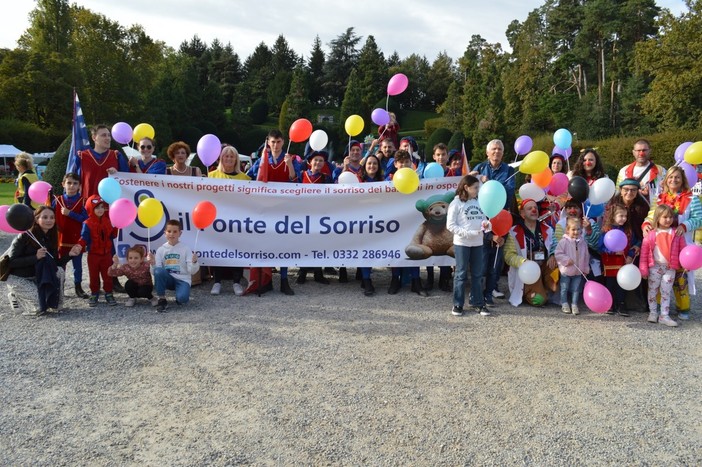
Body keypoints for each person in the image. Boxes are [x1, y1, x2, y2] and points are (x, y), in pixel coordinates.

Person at [642, 165, 702, 320]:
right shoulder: (660, 198)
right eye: (670, 177)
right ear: (666, 180)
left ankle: (683, 306)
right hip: (661, 244)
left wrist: (685, 225)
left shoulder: (692, 199)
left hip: (683, 244)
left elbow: (699, 219)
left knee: (680, 277)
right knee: (661, 275)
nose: (674, 180)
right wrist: (646, 224)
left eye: (677, 177)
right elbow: (651, 215)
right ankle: (660, 306)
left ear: (682, 180)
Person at [246, 129, 302, 295]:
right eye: (273, 142)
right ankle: (267, 279)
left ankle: (284, 280)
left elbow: (296, 182)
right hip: (264, 209)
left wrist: (290, 165)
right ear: (268, 143)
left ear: (283, 142)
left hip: (284, 208)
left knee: (284, 244)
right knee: (265, 243)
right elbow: (250, 179)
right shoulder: (262, 159)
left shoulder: (290, 159)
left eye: (278, 142)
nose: (276, 145)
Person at [4, 206, 76, 316]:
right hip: (18, 277)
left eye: (52, 217)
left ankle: (56, 303)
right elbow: (12, 262)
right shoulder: (24, 236)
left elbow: (55, 263)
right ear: (37, 219)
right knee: (38, 309)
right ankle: (14, 295)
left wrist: (70, 255)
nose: (49, 220)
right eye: (45, 217)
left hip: (37, 276)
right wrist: (35, 257)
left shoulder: (51, 237)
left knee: (60, 271)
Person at [471, 139, 515, 302]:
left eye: (500, 149)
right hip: (481, 216)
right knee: (482, 254)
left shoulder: (509, 170)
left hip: (500, 215)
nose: (497, 152)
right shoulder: (479, 168)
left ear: (503, 153)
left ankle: (493, 287)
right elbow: (470, 188)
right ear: (487, 152)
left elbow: (509, 191)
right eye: (494, 149)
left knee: (497, 253)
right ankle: (478, 288)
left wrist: (489, 184)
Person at [208, 145, 250, 296]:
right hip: (217, 221)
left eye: (232, 156)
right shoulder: (211, 176)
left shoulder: (244, 179)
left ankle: (236, 282)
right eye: (226, 156)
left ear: (236, 159)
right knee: (218, 251)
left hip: (236, 222)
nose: (229, 159)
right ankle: (217, 282)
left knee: (236, 251)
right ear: (221, 158)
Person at [447, 175, 490, 316]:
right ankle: (458, 304)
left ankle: (478, 302)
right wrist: (467, 233)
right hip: (462, 243)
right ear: (466, 187)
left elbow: (484, 219)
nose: (478, 190)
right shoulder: (456, 203)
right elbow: (450, 225)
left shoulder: (480, 202)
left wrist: (487, 224)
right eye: (476, 187)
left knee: (478, 274)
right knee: (461, 274)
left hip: (477, 243)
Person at [387, 150, 428, 297]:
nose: (404, 164)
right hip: (395, 221)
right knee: (396, 249)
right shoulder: (388, 180)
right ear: (396, 164)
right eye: (401, 162)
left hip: (413, 220)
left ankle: (416, 281)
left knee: (414, 248)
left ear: (411, 163)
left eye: (406, 161)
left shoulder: (417, 179)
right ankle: (395, 279)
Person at [639, 204, 686, 327]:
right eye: (665, 217)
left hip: (669, 268)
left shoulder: (676, 234)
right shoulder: (650, 234)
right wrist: (643, 269)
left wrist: (686, 263)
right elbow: (644, 254)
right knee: (653, 290)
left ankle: (664, 315)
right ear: (657, 218)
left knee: (666, 292)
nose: (668, 219)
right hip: (654, 267)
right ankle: (653, 312)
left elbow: (683, 251)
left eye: (670, 217)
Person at [504, 198, 555, 307]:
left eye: (535, 208)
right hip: (528, 271)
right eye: (529, 208)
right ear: (522, 213)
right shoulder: (513, 232)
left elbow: (556, 246)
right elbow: (508, 256)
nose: (533, 210)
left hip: (544, 265)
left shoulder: (547, 229)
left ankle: (545, 288)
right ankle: (529, 292)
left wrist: (552, 255)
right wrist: (523, 262)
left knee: (557, 281)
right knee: (539, 300)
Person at [71, 195, 118, 307]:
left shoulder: (108, 221)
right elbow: (84, 238)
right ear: (90, 208)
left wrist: (116, 228)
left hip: (106, 254)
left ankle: (108, 293)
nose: (100, 210)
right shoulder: (87, 223)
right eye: (97, 207)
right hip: (93, 255)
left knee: (108, 275)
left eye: (102, 207)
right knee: (93, 275)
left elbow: (112, 236)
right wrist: (79, 245)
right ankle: (94, 293)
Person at [148, 219, 200, 312]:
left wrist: (194, 262)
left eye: (175, 231)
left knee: (183, 299)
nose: (171, 234)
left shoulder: (186, 249)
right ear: (165, 233)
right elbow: (155, 272)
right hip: (169, 279)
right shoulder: (161, 250)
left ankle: (179, 295)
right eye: (169, 231)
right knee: (159, 271)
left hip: (182, 280)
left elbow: (191, 271)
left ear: (180, 233)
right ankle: (162, 299)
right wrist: (153, 264)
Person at [297, 150, 332, 286]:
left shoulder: (326, 178)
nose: (318, 163)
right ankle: (303, 271)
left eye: (321, 161)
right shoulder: (302, 175)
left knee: (319, 244)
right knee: (304, 244)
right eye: (315, 160)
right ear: (310, 162)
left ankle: (318, 272)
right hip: (304, 216)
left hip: (319, 216)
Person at [52, 172, 89, 299]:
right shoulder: (57, 200)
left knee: (77, 266)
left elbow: (86, 220)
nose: (72, 186)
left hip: (76, 240)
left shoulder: (83, 201)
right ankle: (59, 287)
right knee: (60, 265)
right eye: (69, 183)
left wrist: (70, 214)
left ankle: (78, 287)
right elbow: (49, 218)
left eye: (75, 183)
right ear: (63, 184)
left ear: (79, 186)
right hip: (61, 239)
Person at [599, 202, 639, 316]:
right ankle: (610, 304)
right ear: (613, 216)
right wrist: (612, 251)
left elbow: (633, 244)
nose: (624, 219)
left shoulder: (628, 231)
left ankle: (621, 304)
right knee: (610, 284)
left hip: (624, 263)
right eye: (621, 216)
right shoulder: (606, 230)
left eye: (625, 216)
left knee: (622, 284)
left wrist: (631, 255)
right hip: (610, 263)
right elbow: (601, 247)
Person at [70, 124, 131, 199]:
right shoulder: (81, 157)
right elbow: (71, 182)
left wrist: (117, 174)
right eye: (104, 135)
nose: (108, 138)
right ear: (94, 137)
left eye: (109, 135)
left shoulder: (116, 156)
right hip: (88, 206)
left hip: (111, 205)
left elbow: (128, 182)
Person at [554, 217, 590, 315]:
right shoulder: (563, 242)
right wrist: (566, 260)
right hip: (566, 271)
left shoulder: (583, 243)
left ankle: (574, 304)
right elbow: (558, 254)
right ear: (567, 230)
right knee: (564, 288)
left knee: (576, 289)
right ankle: (564, 303)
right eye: (573, 229)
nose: (576, 232)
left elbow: (586, 256)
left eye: (578, 229)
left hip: (578, 271)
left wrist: (586, 269)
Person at [616, 139, 666, 206]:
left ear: (649, 151)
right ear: (633, 152)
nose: (641, 153)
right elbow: (618, 192)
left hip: (653, 212)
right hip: (630, 211)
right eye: (638, 151)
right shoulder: (624, 171)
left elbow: (666, 192)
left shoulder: (661, 170)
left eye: (644, 150)